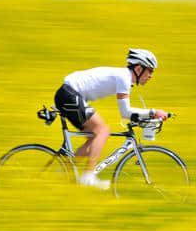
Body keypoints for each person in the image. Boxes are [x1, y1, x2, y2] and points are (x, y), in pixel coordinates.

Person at [54, 48, 169, 190]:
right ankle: (88, 176)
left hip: (68, 94)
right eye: (150, 71)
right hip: (70, 94)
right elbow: (126, 112)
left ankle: (62, 170)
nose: (151, 75)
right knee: (102, 131)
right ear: (139, 69)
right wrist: (153, 112)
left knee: (94, 138)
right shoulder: (123, 78)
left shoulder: (124, 77)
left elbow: (127, 112)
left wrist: (147, 115)